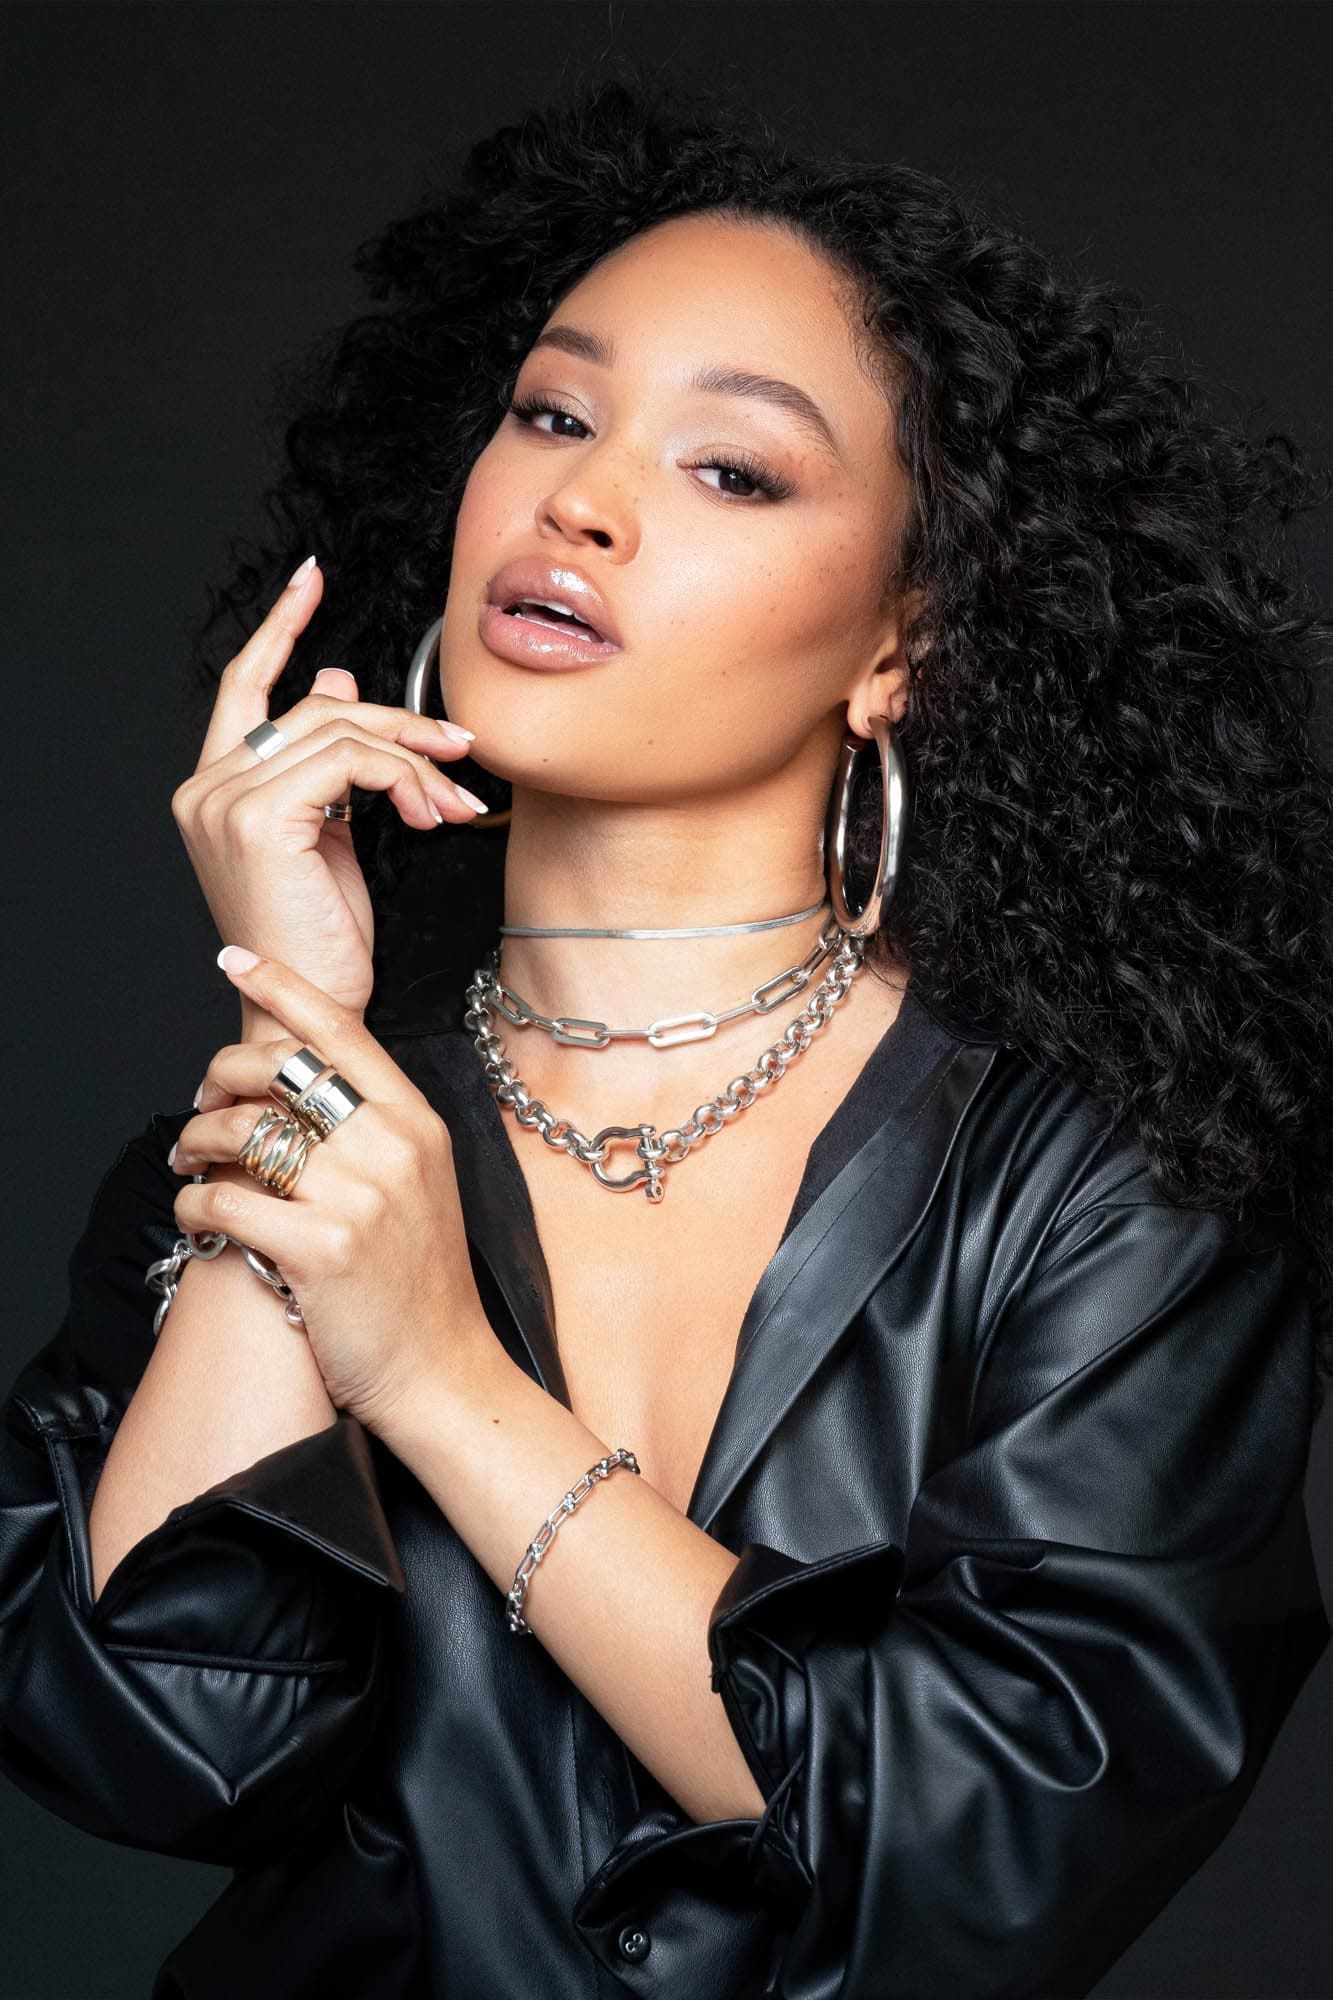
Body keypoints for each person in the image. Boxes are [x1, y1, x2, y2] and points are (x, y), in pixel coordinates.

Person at [2, 66, 1330, 2000]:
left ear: (902, 647)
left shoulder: (1107, 1183)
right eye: (550, 411)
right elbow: (160, 1746)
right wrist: (304, 1028)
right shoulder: (289, 1115)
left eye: (733, 469)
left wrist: (442, 1377)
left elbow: (996, 1841)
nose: (582, 499)